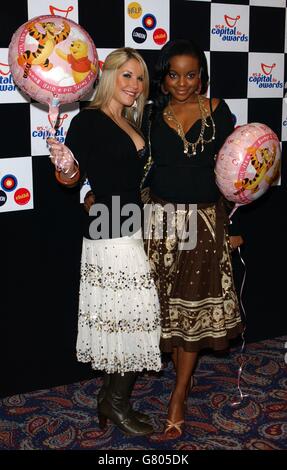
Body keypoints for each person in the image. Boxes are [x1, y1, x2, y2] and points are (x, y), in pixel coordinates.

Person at [84, 39, 244, 439]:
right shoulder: (151, 113)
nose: (183, 83)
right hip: (156, 222)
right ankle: (121, 393)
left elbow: (235, 173)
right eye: (174, 74)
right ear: (164, 77)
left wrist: (231, 226)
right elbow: (132, 165)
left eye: (191, 75)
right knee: (151, 310)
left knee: (191, 312)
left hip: (201, 224)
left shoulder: (220, 112)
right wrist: (96, 194)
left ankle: (178, 396)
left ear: (201, 76)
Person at [48, 47, 162, 436]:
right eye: (127, 75)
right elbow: (71, 177)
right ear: (109, 76)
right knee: (135, 318)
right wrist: (66, 167)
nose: (134, 84)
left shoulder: (131, 118)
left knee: (127, 319)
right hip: (109, 231)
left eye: (140, 77)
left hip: (129, 222)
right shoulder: (89, 121)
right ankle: (115, 403)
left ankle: (110, 400)